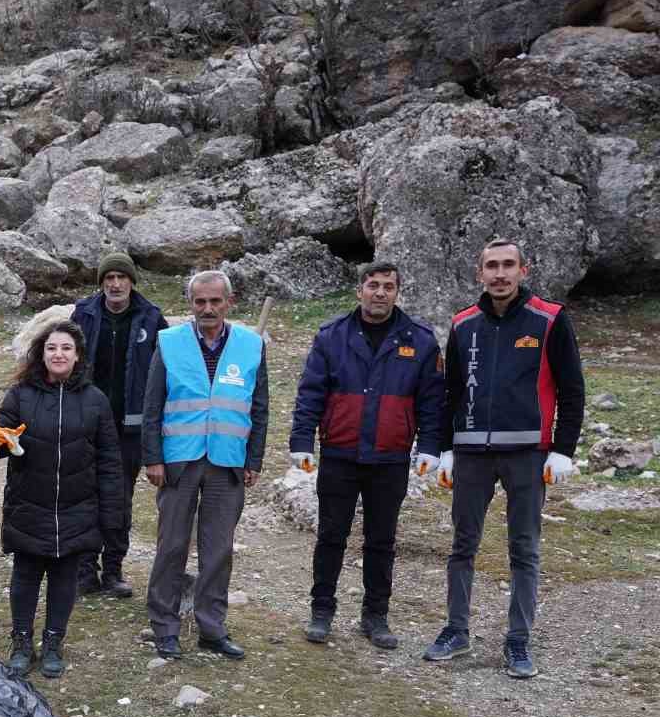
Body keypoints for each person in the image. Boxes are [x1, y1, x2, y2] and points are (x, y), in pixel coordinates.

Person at [423, 238, 585, 680]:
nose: (500, 273)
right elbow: (451, 392)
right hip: (472, 452)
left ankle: (518, 640)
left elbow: (572, 390)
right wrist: (446, 448)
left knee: (524, 549)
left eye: (508, 265)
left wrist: (562, 450)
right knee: (462, 545)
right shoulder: (463, 324)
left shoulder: (550, 319)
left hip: (528, 454)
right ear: (480, 273)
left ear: (523, 270)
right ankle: (456, 630)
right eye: (491, 266)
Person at [289, 261, 444, 649]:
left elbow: (431, 402)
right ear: (359, 290)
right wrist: (301, 441)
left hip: (390, 459)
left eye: (388, 286)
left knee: (381, 541)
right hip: (340, 453)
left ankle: (375, 616)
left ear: (397, 292)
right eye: (373, 285)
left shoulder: (421, 341)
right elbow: (311, 393)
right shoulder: (332, 336)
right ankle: (321, 611)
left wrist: (428, 447)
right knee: (331, 536)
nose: (380, 293)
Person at [0, 320, 123, 678]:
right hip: (29, 502)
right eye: (51, 348)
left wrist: (112, 515)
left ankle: (54, 641)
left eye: (66, 349)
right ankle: (22, 641)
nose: (58, 354)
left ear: (78, 357)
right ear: (41, 354)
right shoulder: (21, 396)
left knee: (64, 577)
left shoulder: (95, 401)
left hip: (78, 506)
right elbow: (0, 441)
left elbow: (109, 460)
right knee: (25, 574)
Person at [141, 270, 269, 661]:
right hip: (179, 462)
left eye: (215, 301)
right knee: (172, 546)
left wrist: (254, 459)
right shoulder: (170, 342)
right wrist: (153, 458)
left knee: (219, 550)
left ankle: (212, 627)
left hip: (228, 462)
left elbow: (260, 408)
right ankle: (165, 627)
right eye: (200, 302)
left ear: (229, 303)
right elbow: (152, 405)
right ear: (191, 303)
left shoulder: (251, 344)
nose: (208, 308)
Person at [70, 250, 168, 598]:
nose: (115, 284)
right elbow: (69, 359)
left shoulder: (152, 318)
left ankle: (113, 570)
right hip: (86, 424)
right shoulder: (83, 313)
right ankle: (84, 570)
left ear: (131, 281)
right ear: (101, 283)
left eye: (121, 277)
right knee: (83, 495)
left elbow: (165, 373)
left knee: (119, 499)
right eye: (108, 278)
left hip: (130, 429)